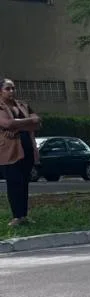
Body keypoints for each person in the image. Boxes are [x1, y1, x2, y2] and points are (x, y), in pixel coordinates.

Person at [0, 79, 41, 227]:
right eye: (7, 89)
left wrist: (18, 127)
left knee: (24, 182)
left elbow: (38, 122)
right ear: (1, 91)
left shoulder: (23, 105)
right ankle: (16, 216)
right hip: (9, 150)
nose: (11, 91)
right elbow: (7, 124)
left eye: (13, 88)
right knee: (14, 182)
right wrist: (28, 123)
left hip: (26, 148)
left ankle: (24, 215)